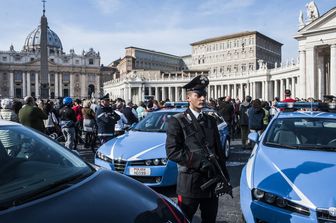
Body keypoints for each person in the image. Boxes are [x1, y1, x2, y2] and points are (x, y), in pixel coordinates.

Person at [166, 75, 231, 223]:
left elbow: (218, 151)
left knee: (210, 219)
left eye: (204, 95)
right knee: (184, 219)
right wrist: (199, 162)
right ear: (189, 98)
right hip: (190, 183)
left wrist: (224, 174)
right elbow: (172, 151)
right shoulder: (177, 121)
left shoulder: (210, 120)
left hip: (211, 182)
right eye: (198, 95)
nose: (202, 98)